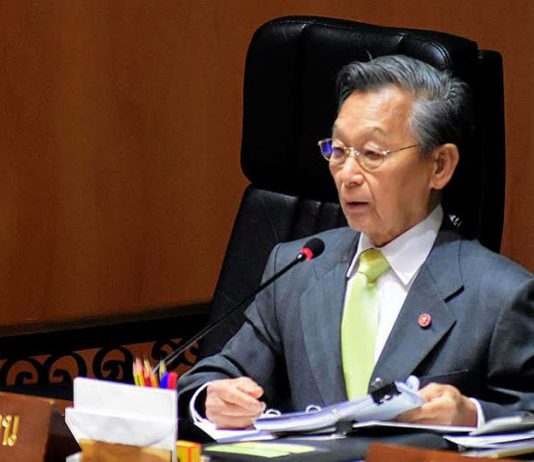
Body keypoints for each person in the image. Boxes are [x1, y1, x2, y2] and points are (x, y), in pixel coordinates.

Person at [178, 55, 534, 430]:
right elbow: (217, 376)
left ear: (440, 165)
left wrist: (473, 415)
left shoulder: (501, 295)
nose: (347, 174)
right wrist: (210, 398)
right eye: (338, 150)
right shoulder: (297, 269)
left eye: (372, 154)